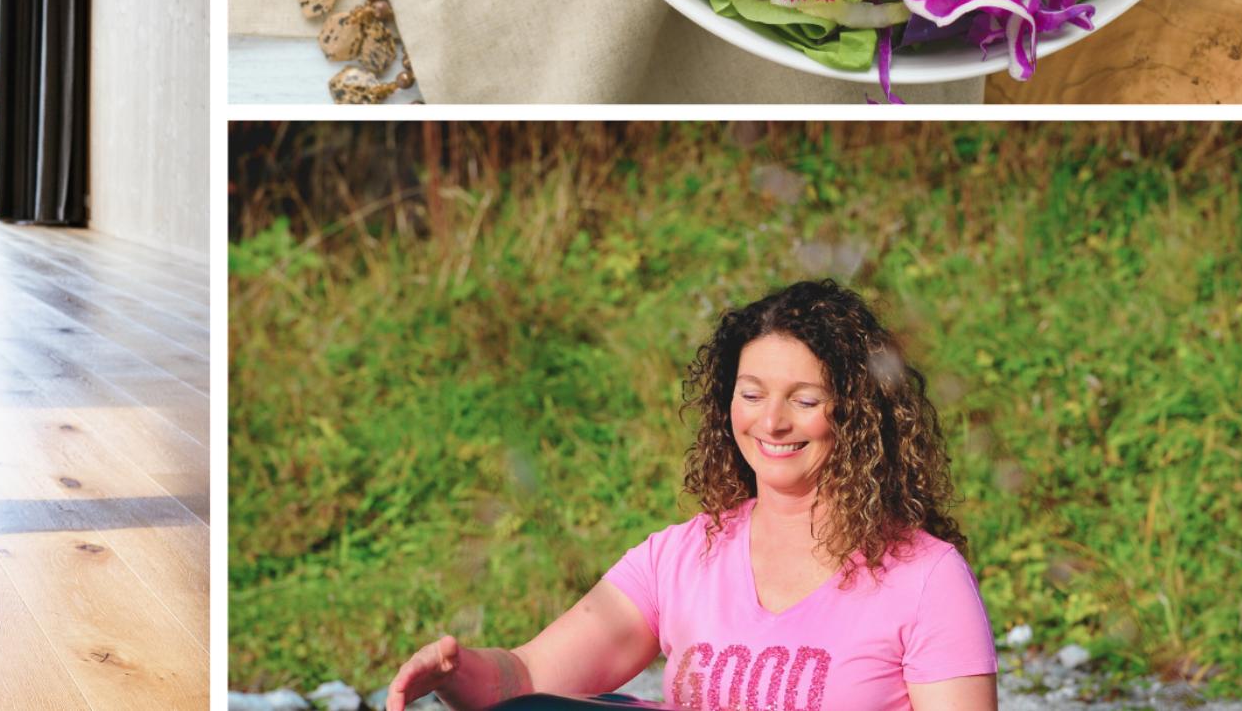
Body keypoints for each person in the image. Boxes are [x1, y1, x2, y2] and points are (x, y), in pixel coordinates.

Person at [385, 280, 998, 711]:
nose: (773, 423)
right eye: (752, 394)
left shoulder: (926, 578)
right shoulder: (678, 559)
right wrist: (455, 670)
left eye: (805, 400)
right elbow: (524, 678)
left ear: (859, 415)